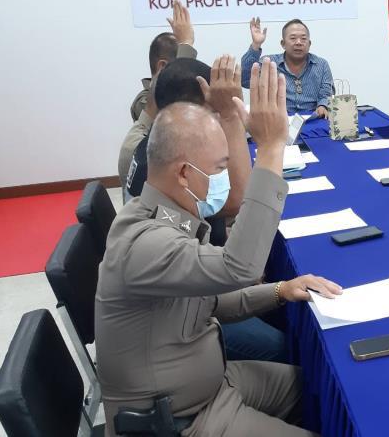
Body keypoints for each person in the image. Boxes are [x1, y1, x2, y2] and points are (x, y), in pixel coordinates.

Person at [96, 61, 341, 436]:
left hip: (211, 385)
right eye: (219, 167)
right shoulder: (145, 243)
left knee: (321, 391)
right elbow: (238, 266)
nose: (224, 176)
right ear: (184, 173)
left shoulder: (165, 215)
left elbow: (208, 300)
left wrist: (280, 290)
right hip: (181, 418)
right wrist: (271, 148)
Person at [124, 56, 290, 364]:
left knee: (281, 303)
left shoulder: (158, 148)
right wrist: (268, 145)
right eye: (212, 112)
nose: (216, 124)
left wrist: (280, 289)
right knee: (282, 346)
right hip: (177, 326)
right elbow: (237, 204)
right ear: (188, 112)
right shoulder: (171, 170)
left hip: (190, 293)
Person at [119, 0, 197, 187]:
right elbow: (171, 104)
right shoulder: (144, 101)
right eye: (181, 66)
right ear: (162, 67)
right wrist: (186, 44)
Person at [241, 18, 334, 118]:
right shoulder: (268, 63)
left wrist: (322, 105)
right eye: (293, 38)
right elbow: (245, 80)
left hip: (313, 118)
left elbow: (326, 92)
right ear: (283, 44)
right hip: (276, 119)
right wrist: (256, 45)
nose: (298, 42)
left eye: (303, 39)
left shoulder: (321, 65)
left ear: (309, 44)